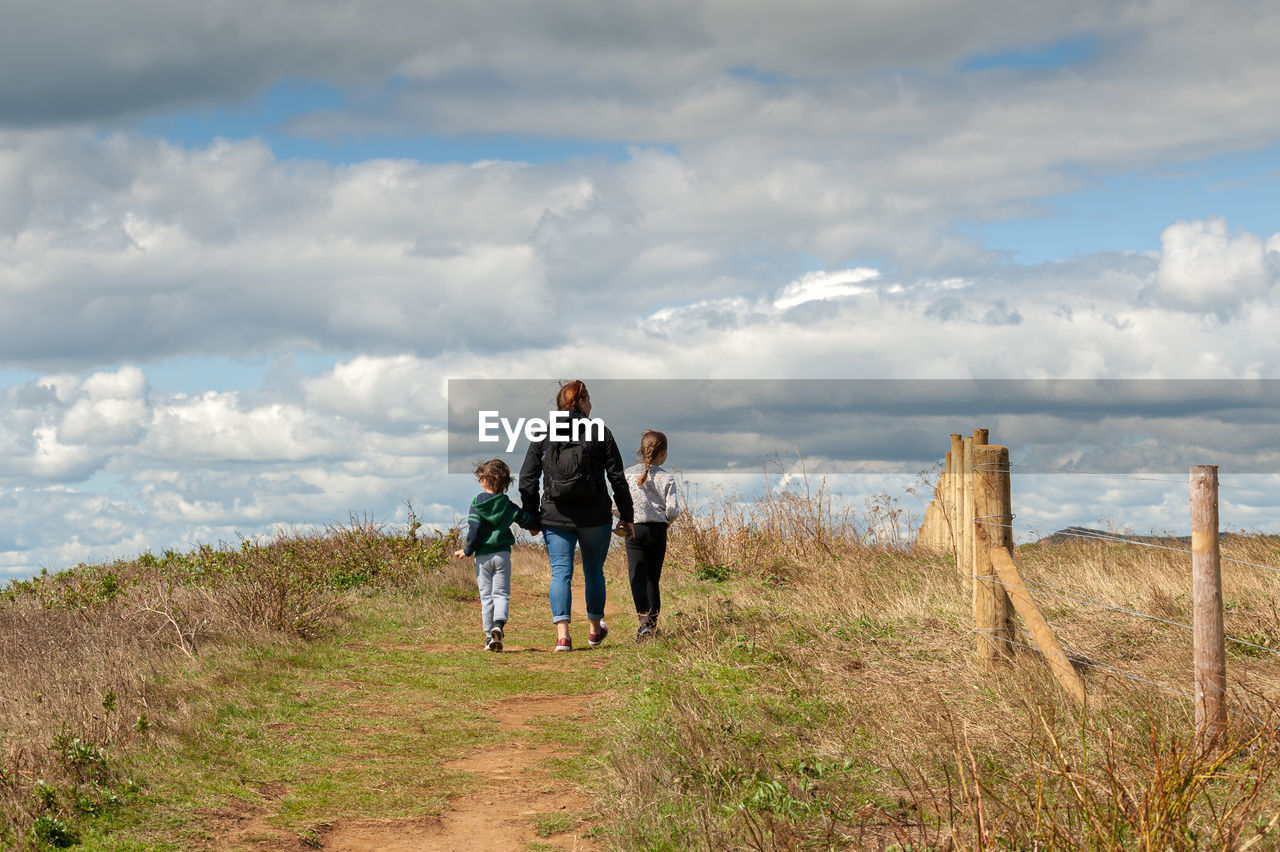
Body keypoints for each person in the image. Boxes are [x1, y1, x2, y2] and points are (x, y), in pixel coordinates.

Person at [519, 380, 634, 651]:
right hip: (595, 516)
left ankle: (563, 637)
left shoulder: (543, 433)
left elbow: (527, 479)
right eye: (589, 400)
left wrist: (532, 518)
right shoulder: (600, 432)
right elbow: (617, 478)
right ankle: (595, 631)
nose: (592, 405)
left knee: (561, 573)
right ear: (580, 403)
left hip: (555, 516)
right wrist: (626, 515)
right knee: (594, 570)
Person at [453, 459, 540, 652]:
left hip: (482, 556)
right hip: (502, 555)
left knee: (486, 597)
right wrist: (538, 524)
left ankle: (487, 637)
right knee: (501, 594)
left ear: (483, 480)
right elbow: (525, 519)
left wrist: (467, 550)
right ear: (504, 484)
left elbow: (474, 530)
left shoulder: (477, 503)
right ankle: (498, 625)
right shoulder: (506, 504)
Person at [623, 431, 679, 642]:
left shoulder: (628, 474)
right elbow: (673, 511)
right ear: (663, 453)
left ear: (641, 450)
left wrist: (626, 517)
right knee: (652, 579)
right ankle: (653, 627)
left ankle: (644, 622)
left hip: (634, 529)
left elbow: (614, 504)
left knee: (636, 576)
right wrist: (664, 522)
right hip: (657, 530)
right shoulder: (667, 477)